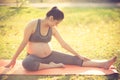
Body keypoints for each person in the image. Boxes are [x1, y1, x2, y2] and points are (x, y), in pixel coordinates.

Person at [5, 6, 117, 71]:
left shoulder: (52, 28)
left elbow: (64, 44)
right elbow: (24, 42)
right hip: (34, 58)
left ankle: (103, 64)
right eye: (56, 22)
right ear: (51, 18)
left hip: (51, 55)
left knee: (75, 60)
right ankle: (51, 66)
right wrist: (13, 59)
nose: (56, 25)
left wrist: (78, 54)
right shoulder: (32, 24)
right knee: (26, 63)